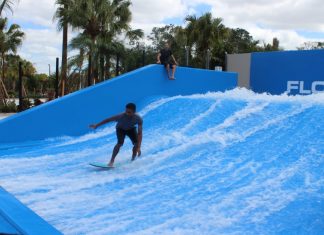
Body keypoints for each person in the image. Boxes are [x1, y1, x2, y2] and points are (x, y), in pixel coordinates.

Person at [89, 103, 143, 167]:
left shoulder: (138, 119)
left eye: (129, 112)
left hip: (131, 129)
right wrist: (97, 125)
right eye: (126, 111)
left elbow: (140, 133)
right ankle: (111, 161)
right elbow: (108, 120)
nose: (127, 113)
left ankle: (133, 159)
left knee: (136, 144)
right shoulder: (120, 116)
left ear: (134, 112)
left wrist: (139, 147)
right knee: (120, 143)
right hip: (120, 129)